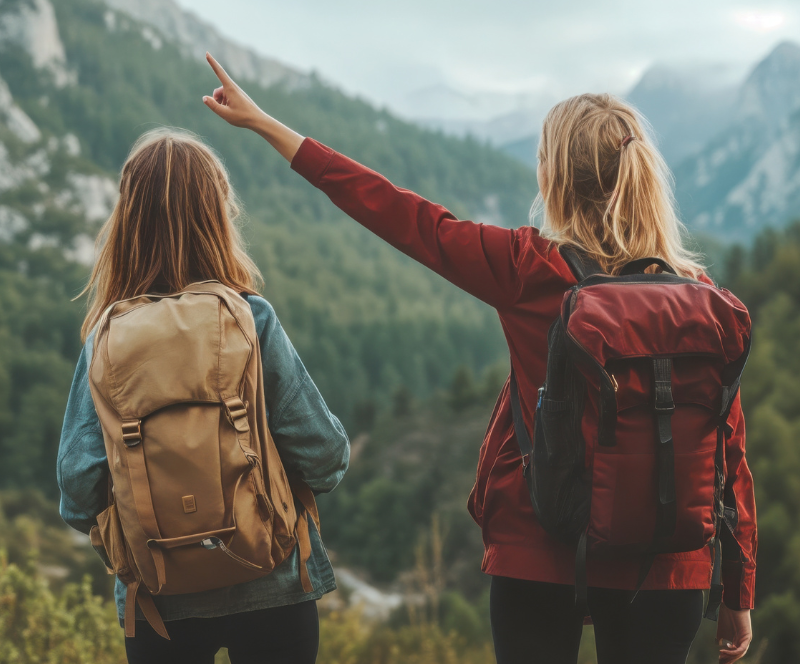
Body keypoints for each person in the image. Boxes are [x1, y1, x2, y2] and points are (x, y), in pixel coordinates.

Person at [201, 52, 757, 664]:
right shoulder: (701, 300)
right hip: (668, 560)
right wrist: (738, 592)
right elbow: (728, 453)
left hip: (540, 548)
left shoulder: (528, 267)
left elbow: (399, 212)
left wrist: (267, 125)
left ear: (554, 180)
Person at [57, 129, 350, 664]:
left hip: (158, 602)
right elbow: (326, 457)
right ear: (218, 215)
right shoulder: (250, 319)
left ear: (125, 221)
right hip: (273, 586)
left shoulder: (106, 336)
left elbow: (78, 492)